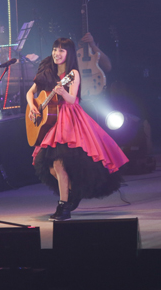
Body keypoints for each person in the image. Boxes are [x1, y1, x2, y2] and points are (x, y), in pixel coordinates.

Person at [26, 38, 129, 221]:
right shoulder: (47, 69)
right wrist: (33, 106)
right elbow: (30, 92)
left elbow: (72, 99)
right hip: (50, 120)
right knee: (50, 167)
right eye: (55, 49)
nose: (57, 53)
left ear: (69, 54)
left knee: (59, 163)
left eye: (61, 50)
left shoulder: (72, 73)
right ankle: (74, 192)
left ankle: (63, 206)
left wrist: (63, 92)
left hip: (68, 119)